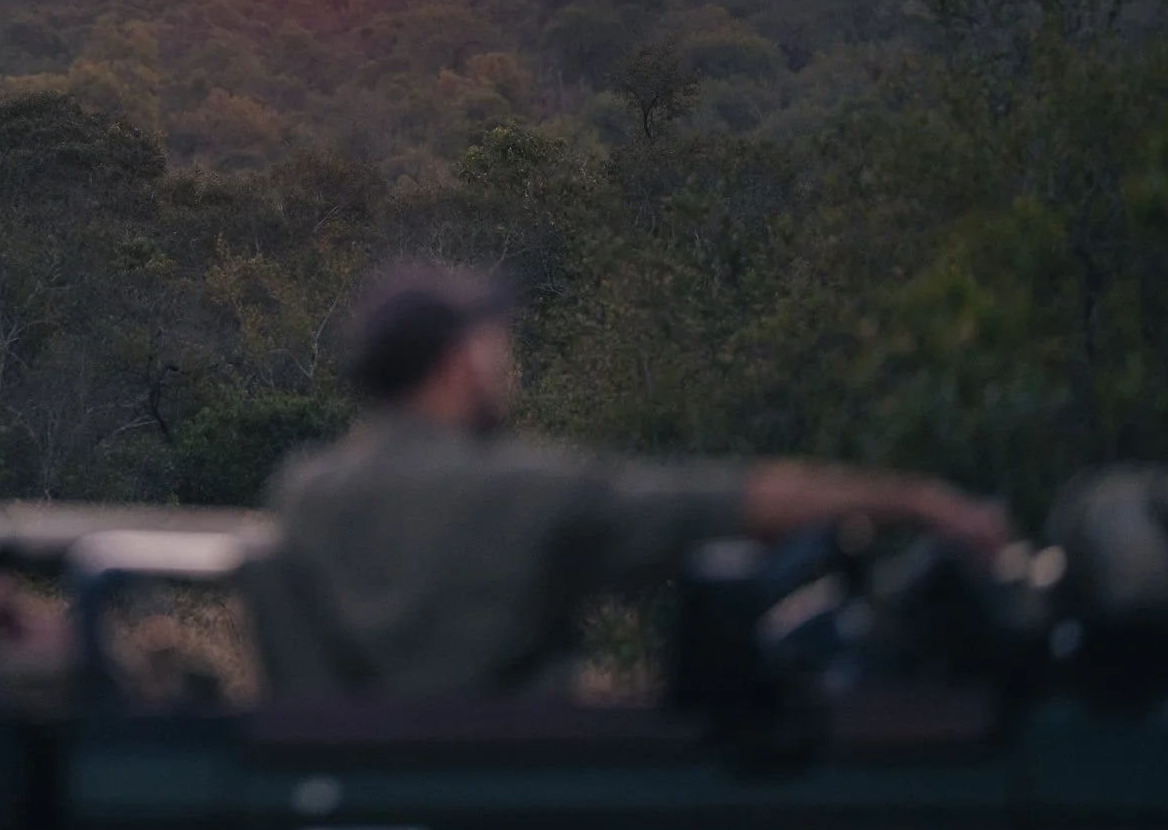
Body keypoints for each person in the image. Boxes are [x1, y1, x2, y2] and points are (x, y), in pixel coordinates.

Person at [258, 266, 1013, 695]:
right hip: (526, 809)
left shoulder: (302, 491)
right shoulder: (529, 489)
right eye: (494, 348)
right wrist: (914, 500)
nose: (504, 364)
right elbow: (723, 501)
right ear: (457, 363)